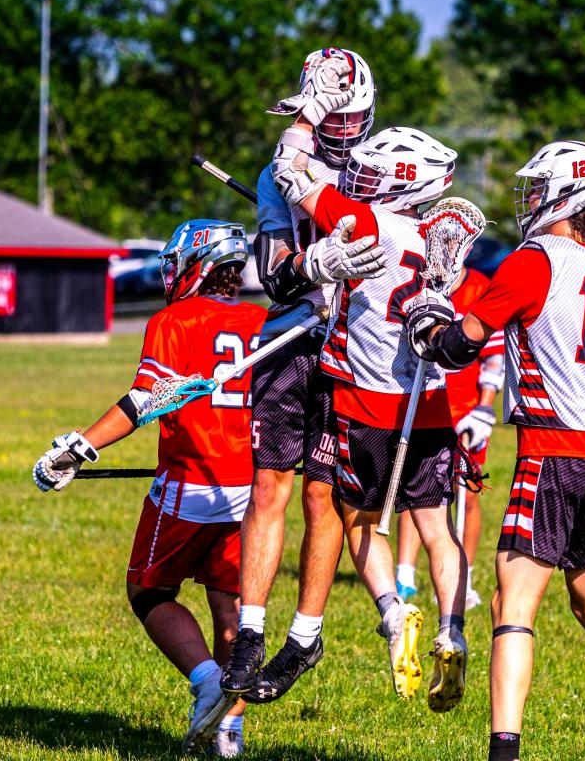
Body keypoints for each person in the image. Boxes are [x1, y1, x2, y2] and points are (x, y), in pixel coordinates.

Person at [406, 141, 585, 761]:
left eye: (539, 190)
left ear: (567, 195)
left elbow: (456, 346)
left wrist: (426, 313)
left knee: (512, 602)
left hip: (554, 452)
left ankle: (503, 752)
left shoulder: (533, 261)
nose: (529, 200)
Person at [265, 76, 470, 712]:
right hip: (429, 403)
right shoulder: (442, 242)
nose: (362, 180)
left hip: (365, 402)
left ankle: (392, 613)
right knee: (438, 529)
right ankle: (451, 629)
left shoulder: (359, 219)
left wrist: (309, 112)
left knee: (357, 523)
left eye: (377, 176)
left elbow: (287, 169)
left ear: (399, 186)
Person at [32, 221, 267, 757]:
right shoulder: (266, 321)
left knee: (150, 593)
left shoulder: (175, 319)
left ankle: (207, 682)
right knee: (231, 608)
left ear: (199, 264)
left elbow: (148, 398)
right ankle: (229, 732)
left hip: (190, 485)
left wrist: (79, 446)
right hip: (253, 492)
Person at [221, 47, 385, 704]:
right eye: (331, 116)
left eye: (352, 116)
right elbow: (272, 269)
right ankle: (251, 631)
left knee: (327, 495)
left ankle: (306, 634)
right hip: (292, 332)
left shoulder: (382, 168)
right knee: (270, 484)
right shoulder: (277, 173)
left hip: (356, 339)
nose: (342, 130)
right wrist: (314, 264)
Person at [396, 266, 505, 610]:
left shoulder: (478, 287)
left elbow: (494, 357)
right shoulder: (419, 281)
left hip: (467, 408)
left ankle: (465, 576)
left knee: (468, 494)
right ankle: (405, 575)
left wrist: (485, 408)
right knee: (415, 491)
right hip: (425, 401)